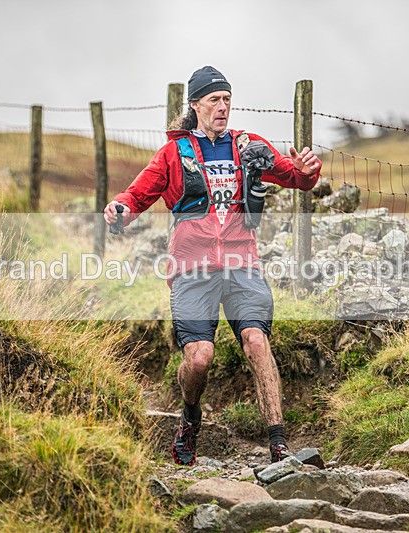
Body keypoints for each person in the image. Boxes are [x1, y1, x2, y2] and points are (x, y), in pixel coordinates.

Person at [104, 66, 321, 466]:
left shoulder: (250, 146)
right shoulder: (173, 153)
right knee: (199, 358)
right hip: (192, 267)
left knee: (256, 342)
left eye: (227, 100)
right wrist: (119, 208)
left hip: (242, 263)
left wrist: (307, 173)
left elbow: (296, 178)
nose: (223, 107)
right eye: (214, 100)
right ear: (195, 105)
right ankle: (190, 416)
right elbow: (137, 196)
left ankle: (279, 443)